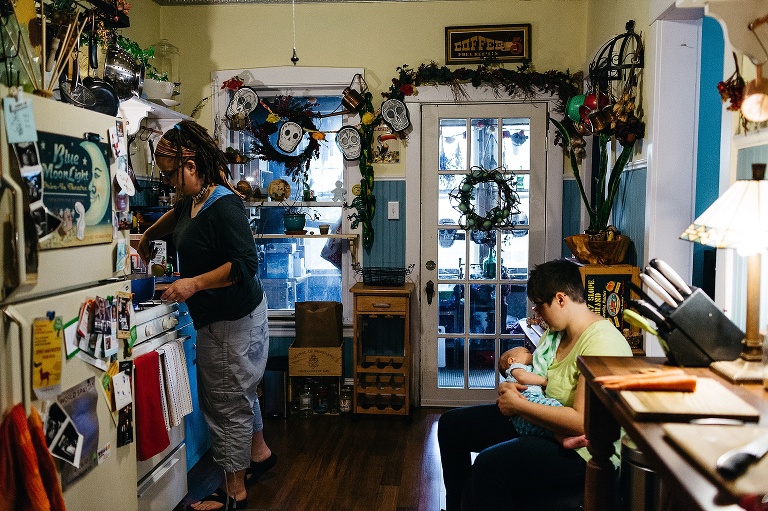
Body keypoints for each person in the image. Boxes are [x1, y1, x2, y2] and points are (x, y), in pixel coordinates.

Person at [138, 121, 276, 511]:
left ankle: (234, 494)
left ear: (191, 165)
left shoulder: (224, 205)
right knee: (240, 393)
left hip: (231, 320)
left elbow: (245, 265)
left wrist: (194, 284)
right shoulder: (194, 198)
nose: (168, 182)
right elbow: (177, 215)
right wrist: (148, 235)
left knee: (225, 403)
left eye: (170, 174)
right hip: (236, 316)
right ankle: (260, 455)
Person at [438, 259, 633, 511]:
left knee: (489, 466)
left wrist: (518, 406)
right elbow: (532, 376)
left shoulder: (602, 344)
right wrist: (513, 383)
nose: (537, 315)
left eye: (540, 307)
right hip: (543, 424)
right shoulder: (556, 333)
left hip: (584, 449)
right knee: (451, 425)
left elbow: (582, 422)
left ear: (560, 299)